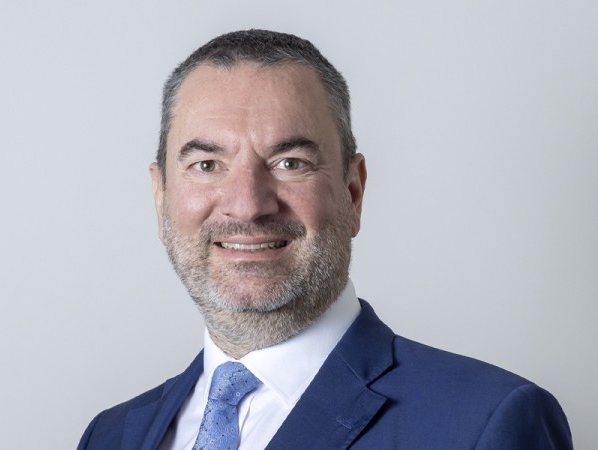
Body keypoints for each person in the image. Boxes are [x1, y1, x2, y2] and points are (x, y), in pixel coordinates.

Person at [78, 29, 573, 450]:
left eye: (289, 163)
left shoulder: (484, 423)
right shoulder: (111, 435)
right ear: (161, 197)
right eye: (207, 165)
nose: (247, 204)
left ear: (352, 192)